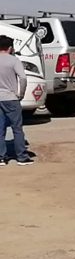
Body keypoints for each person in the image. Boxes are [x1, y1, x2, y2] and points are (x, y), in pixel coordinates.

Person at [0, 35, 33, 166]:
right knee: (17, 129)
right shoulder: (14, 60)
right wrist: (21, 93)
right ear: (10, 48)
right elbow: (23, 78)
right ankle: (22, 157)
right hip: (11, 98)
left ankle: (1, 157)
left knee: (0, 129)